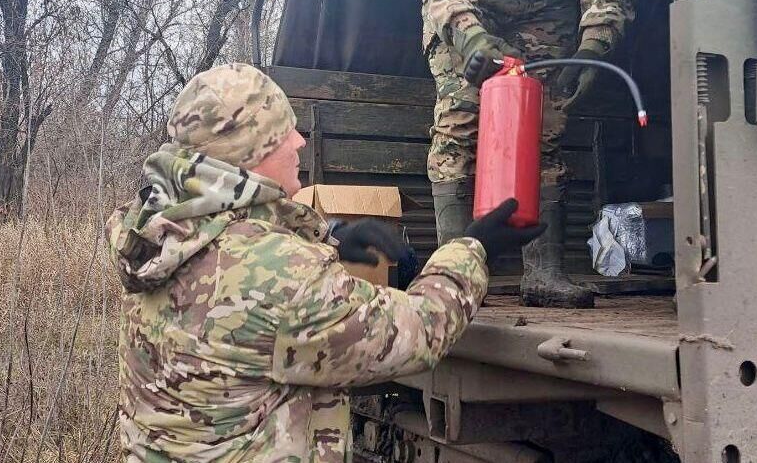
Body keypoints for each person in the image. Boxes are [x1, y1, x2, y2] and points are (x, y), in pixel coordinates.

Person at [105, 63, 543, 462]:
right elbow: (418, 331)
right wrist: (472, 247)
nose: (299, 141)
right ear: (249, 156)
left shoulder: (164, 239)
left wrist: (330, 234)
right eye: (283, 133)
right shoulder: (277, 274)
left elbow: (243, 245)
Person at [410, 0, 643, 308]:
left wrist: (597, 42)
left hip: (549, 0)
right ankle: (452, 279)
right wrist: (467, 36)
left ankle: (543, 274)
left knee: (545, 127)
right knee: (461, 123)